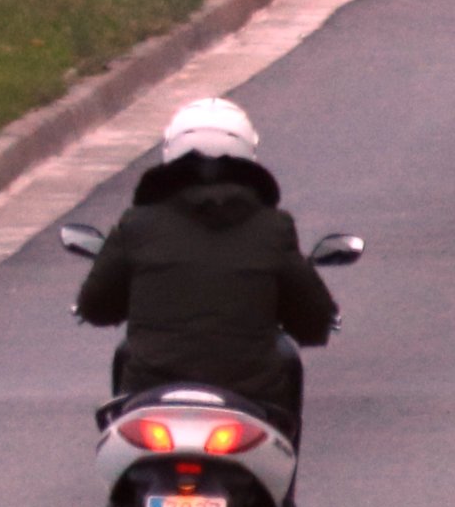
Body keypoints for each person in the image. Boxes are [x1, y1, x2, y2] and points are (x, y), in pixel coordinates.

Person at [74, 95, 337, 441]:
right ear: (249, 153)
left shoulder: (138, 224)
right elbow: (311, 318)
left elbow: (96, 306)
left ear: (169, 150)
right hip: (250, 397)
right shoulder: (272, 228)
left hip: (151, 391)